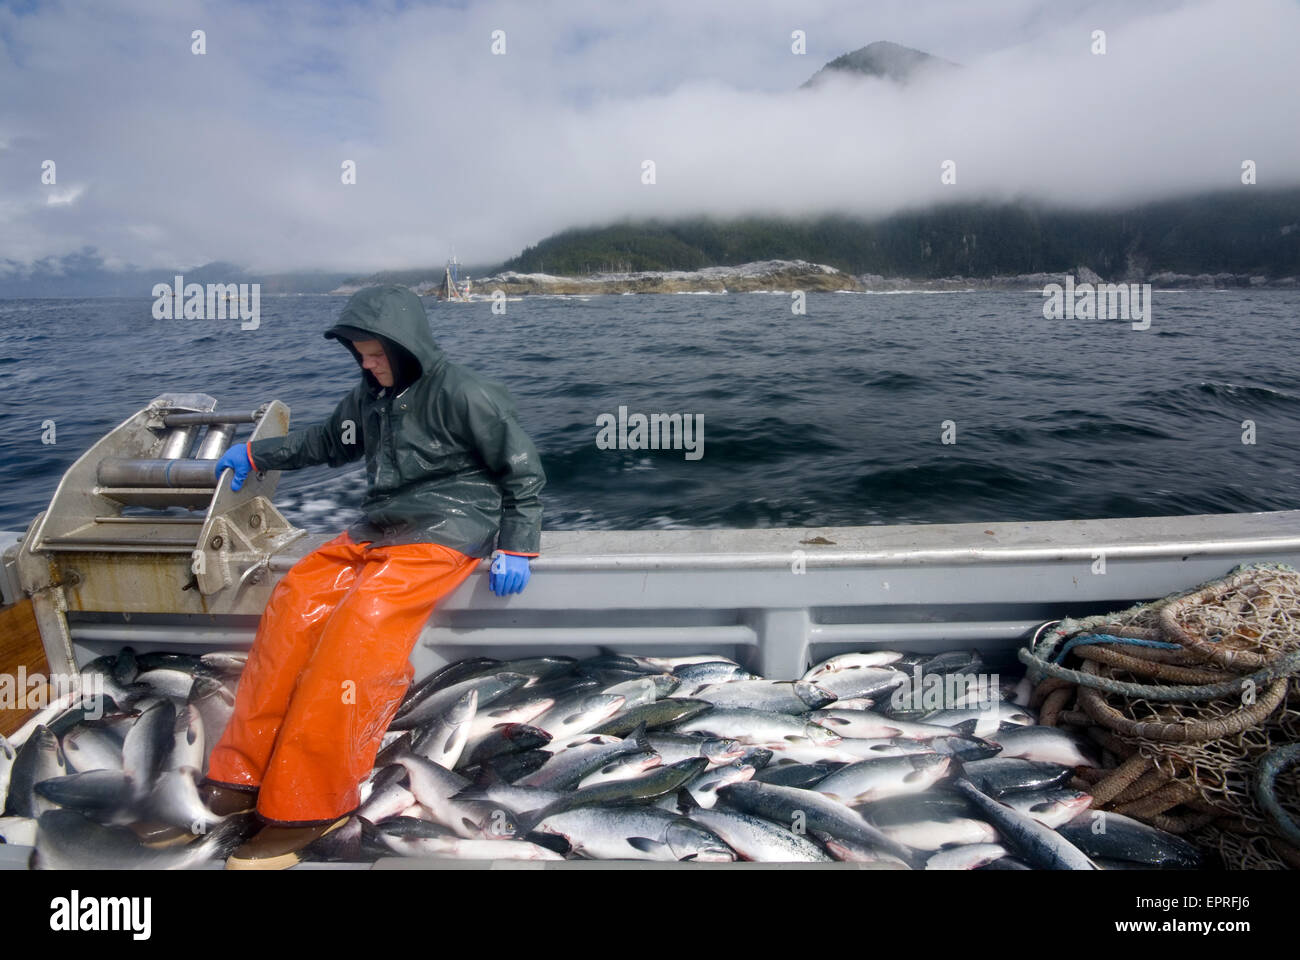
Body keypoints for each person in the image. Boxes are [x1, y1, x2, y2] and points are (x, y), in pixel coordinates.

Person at [204, 284, 545, 869]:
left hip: (450, 524)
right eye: (360, 355)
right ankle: (245, 770)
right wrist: (259, 455)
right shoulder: (369, 399)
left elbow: (522, 472)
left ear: (406, 345)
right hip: (379, 527)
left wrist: (517, 543)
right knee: (295, 601)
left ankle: (314, 803)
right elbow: (324, 442)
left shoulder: (468, 394)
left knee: (360, 627)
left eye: (376, 354)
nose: (367, 365)